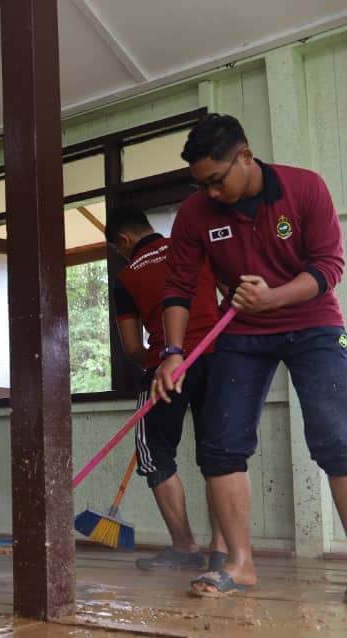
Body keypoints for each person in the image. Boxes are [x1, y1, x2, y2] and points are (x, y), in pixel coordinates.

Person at [155, 114, 347, 603]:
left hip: (314, 326)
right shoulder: (197, 212)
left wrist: (274, 297)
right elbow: (177, 286)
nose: (211, 193)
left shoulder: (305, 189)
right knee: (220, 446)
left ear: (245, 156)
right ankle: (240, 565)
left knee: (337, 440)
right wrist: (172, 354)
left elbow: (329, 267)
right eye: (202, 184)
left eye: (217, 180)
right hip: (241, 333)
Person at [107, 206, 227, 572]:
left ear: (124, 241)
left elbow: (131, 348)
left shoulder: (127, 277)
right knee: (221, 455)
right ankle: (222, 550)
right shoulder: (193, 249)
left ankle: (185, 547)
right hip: (218, 359)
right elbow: (228, 293)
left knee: (155, 455)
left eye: (117, 249)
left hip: (165, 367)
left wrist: (157, 362)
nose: (120, 254)